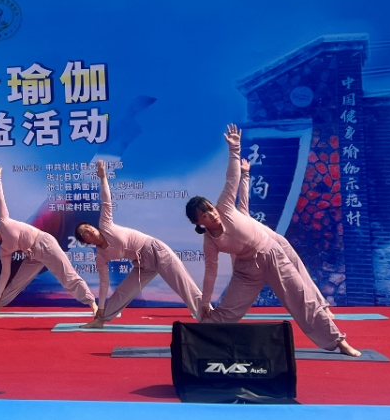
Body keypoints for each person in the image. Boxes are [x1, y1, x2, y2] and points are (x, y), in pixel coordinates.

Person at [185, 124, 360, 356]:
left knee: (302, 301)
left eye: (210, 209)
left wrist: (235, 148)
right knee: (226, 312)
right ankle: (199, 342)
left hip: (272, 254)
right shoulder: (210, 243)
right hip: (246, 271)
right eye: (205, 215)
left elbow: (231, 179)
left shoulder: (225, 207)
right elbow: (211, 273)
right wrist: (205, 302)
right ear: (199, 222)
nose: (212, 214)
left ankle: (338, 341)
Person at [75, 160, 202, 328]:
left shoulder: (105, 225)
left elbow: (106, 201)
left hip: (155, 250)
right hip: (142, 265)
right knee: (123, 292)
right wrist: (102, 306)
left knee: (184, 286)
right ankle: (100, 320)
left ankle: (210, 318)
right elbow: (104, 283)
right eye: (84, 232)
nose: (88, 230)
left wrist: (103, 177)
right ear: (85, 241)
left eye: (88, 226)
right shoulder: (101, 257)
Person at [0, 166, 98, 314]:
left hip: (44, 243)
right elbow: (5, 275)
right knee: (17, 282)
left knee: (67, 275)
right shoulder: (4, 250)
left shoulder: (4, 222)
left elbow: (0, 200)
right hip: (32, 255)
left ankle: (92, 303)